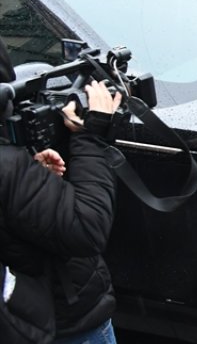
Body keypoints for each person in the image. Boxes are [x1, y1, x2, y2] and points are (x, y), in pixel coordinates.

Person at [0, 45, 122, 344]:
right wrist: (91, 137)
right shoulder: (7, 165)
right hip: (59, 321)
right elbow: (86, 227)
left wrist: (34, 179)